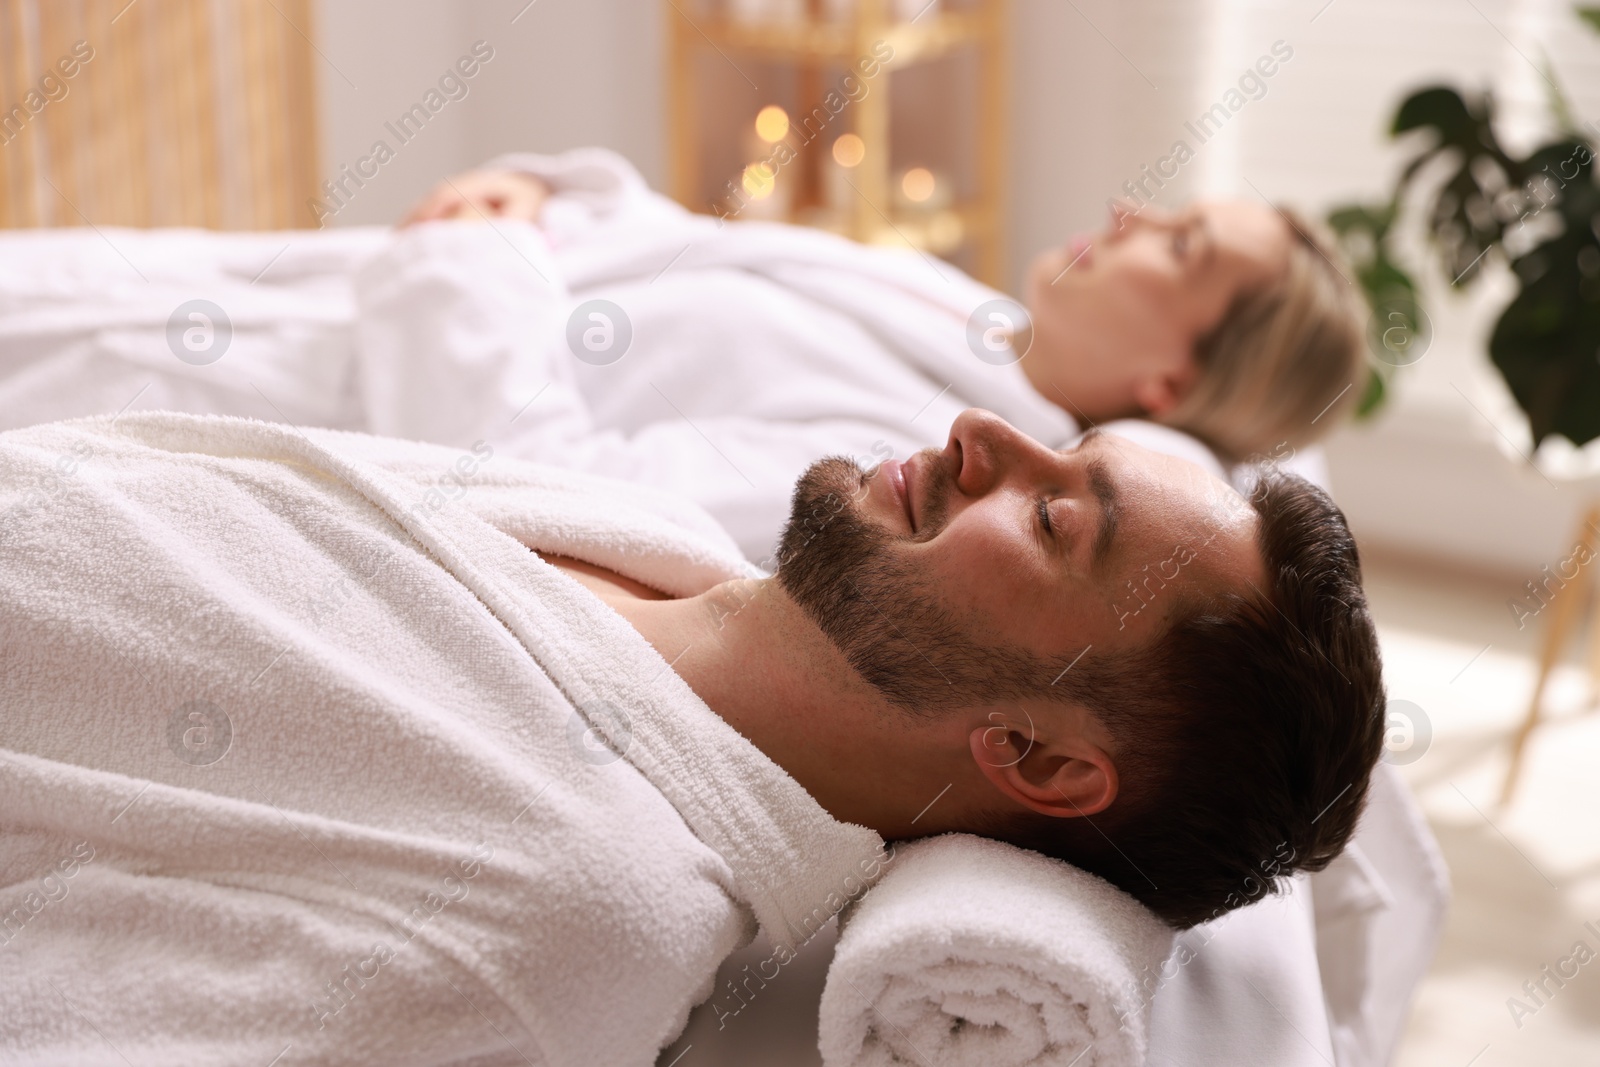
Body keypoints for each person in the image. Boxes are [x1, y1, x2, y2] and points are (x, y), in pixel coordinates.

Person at [0, 402, 1384, 1063]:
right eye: (1049, 443)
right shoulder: (652, 544)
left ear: (1036, 759)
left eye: (1048, 515)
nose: (978, 433)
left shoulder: (562, 910)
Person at [0, 148, 1366, 563]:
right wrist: (535, 190)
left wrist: (474, 259)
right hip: (263, 295)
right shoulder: (953, 319)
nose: (1131, 213)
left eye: (1178, 246)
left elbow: (543, 493)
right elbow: (681, 243)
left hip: (240, 404)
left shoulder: (919, 461)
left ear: (1171, 388)